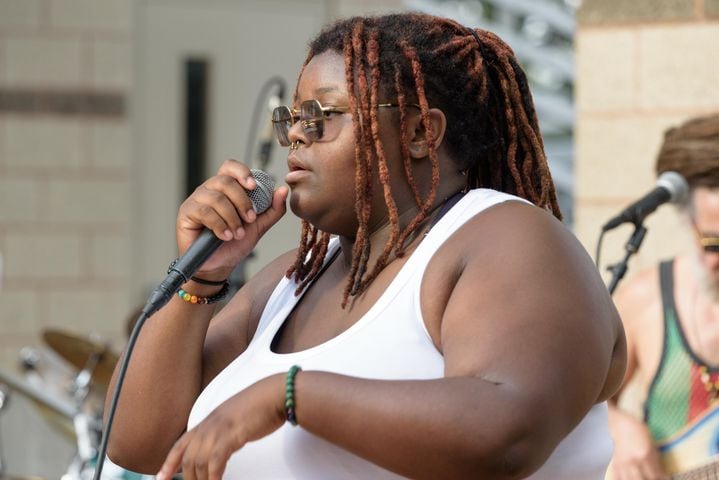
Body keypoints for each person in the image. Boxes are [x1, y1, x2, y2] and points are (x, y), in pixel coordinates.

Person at [105, 13, 625, 480]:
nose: (296, 138)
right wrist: (202, 278)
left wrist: (290, 395)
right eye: (292, 119)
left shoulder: (508, 238)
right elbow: (140, 446)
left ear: (422, 132)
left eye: (322, 115)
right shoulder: (288, 282)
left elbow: (509, 431)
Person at [607, 113, 719, 480]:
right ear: (689, 225)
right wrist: (618, 430)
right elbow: (576, 404)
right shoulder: (647, 299)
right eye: (715, 242)